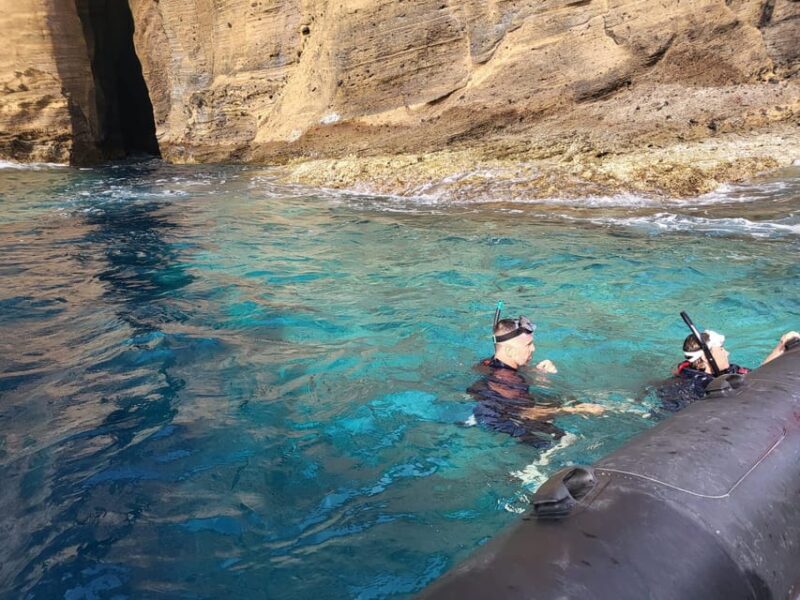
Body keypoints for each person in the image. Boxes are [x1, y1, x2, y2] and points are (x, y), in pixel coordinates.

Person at [467, 316, 604, 448]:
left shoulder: (487, 363)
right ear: (509, 350)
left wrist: (536, 374)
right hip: (502, 424)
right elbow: (526, 414)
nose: (533, 349)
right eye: (528, 345)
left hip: (493, 409)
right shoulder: (508, 383)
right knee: (567, 439)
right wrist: (575, 410)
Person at [662, 329, 800, 410]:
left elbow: (757, 374)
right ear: (706, 358)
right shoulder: (695, 385)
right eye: (721, 349)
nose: (727, 353)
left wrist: (781, 346)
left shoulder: (725, 371)